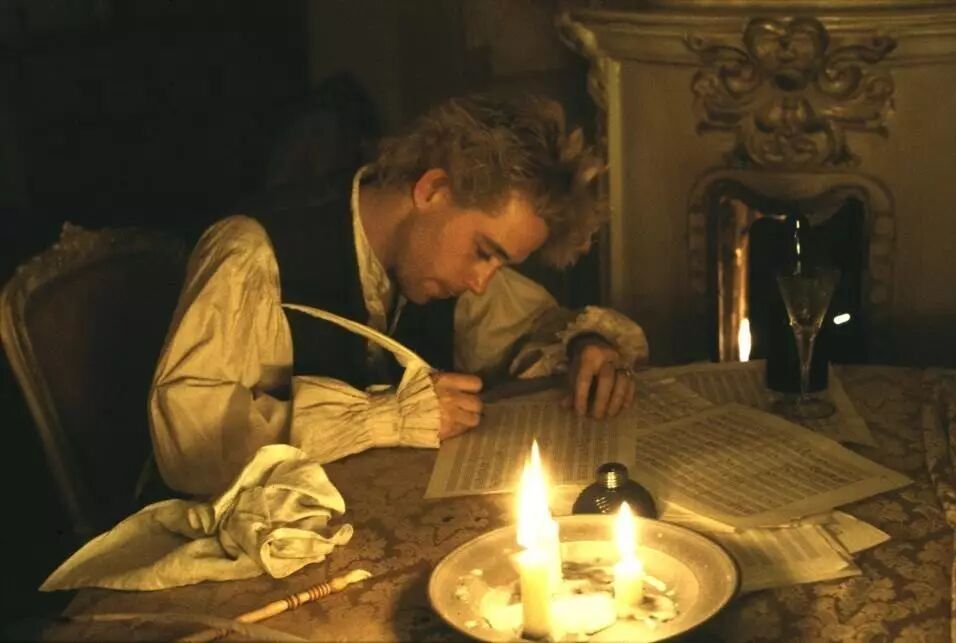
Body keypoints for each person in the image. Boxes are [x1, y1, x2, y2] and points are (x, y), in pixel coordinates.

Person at [149, 94, 648, 496]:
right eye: (483, 252)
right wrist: (385, 418)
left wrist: (587, 347)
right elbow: (192, 444)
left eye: (500, 264)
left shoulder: (439, 267)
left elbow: (535, 326)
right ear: (432, 190)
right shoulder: (253, 252)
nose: (481, 282)